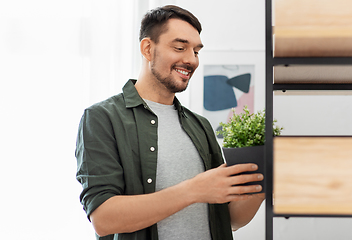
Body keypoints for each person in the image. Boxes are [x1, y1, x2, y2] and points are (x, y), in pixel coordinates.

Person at [75, 5, 265, 240]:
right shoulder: (102, 118)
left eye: (196, 51)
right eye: (179, 47)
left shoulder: (201, 126)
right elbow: (104, 219)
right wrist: (193, 190)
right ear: (147, 48)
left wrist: (262, 185)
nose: (191, 60)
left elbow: (231, 220)